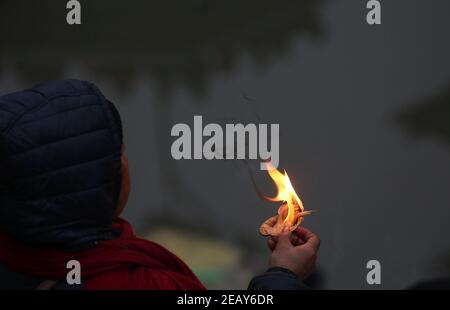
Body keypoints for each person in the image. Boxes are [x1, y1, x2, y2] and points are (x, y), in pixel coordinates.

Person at [0, 79, 320, 290]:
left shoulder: (15, 251)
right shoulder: (145, 284)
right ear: (90, 191)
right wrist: (284, 277)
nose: (126, 163)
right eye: (117, 156)